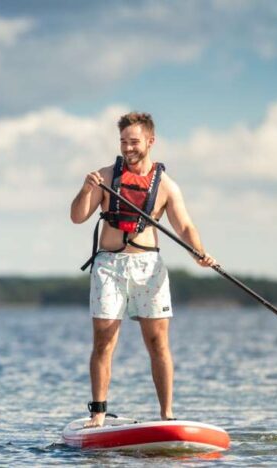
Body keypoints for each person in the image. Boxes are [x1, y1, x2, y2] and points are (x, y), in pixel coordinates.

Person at [70, 112, 216, 427]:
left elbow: (185, 225)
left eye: (134, 141)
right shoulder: (105, 177)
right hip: (109, 266)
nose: (128, 147)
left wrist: (199, 253)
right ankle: (98, 414)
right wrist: (85, 189)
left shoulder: (166, 186)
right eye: (123, 141)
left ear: (150, 141)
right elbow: (77, 216)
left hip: (149, 268)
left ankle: (167, 414)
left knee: (157, 342)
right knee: (103, 340)